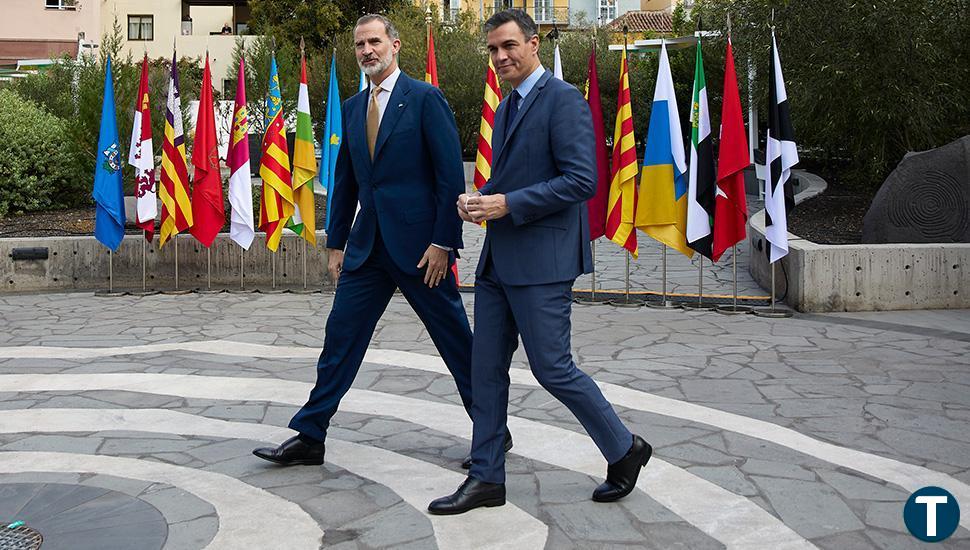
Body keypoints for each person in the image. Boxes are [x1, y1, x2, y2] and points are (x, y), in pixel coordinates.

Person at [253, 14, 514, 468]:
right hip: (367, 249)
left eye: (375, 41)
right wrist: (336, 243)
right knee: (340, 338)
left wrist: (443, 243)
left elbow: (449, 176)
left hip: (421, 252)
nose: (367, 50)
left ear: (396, 46)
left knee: (455, 341)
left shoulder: (426, 99)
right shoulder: (354, 108)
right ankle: (311, 434)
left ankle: (493, 432)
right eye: (360, 44)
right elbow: (348, 182)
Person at [428, 9, 652, 515]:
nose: (500, 56)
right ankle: (487, 478)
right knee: (484, 370)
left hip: (544, 262)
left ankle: (624, 448)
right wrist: (482, 199)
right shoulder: (508, 107)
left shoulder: (563, 100)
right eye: (492, 49)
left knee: (553, 369)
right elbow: (521, 179)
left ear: (532, 43)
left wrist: (508, 203)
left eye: (509, 46)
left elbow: (582, 181)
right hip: (499, 262)